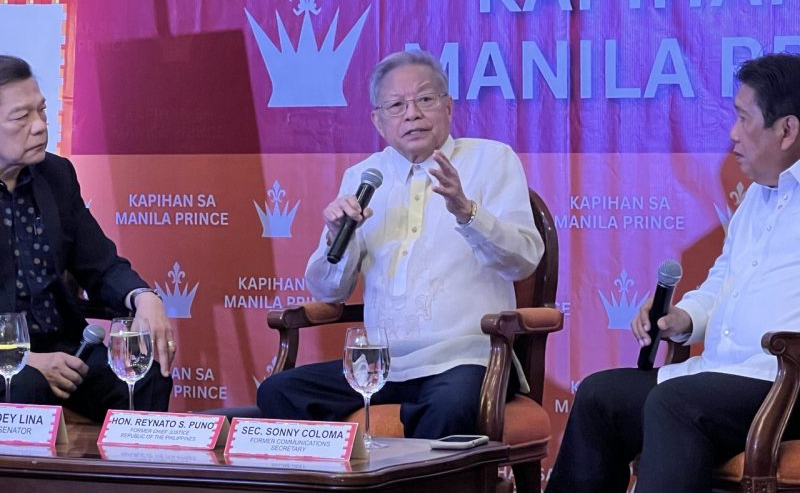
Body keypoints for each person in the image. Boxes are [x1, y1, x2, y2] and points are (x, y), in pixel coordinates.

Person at [546, 52, 800, 493]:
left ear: (787, 130)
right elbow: (721, 282)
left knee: (675, 402)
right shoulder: (757, 200)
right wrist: (683, 318)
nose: (733, 133)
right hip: (720, 376)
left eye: (744, 118)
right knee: (600, 396)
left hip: (784, 383)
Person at [257, 50, 544, 439]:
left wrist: (467, 213)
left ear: (448, 107)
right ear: (378, 121)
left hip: (468, 358)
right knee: (278, 392)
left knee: (448, 408)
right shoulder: (364, 176)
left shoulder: (491, 161)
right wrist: (338, 236)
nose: (412, 114)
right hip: (380, 364)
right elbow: (328, 291)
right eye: (396, 105)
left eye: (425, 99)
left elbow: (523, 259)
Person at [0, 55, 174, 421]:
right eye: (21, 117)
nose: (39, 126)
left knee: (145, 375)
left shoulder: (56, 175)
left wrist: (144, 297)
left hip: (67, 346)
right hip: (7, 358)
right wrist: (23, 359)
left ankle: (131, 461)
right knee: (24, 384)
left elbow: (102, 265)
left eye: (41, 111)